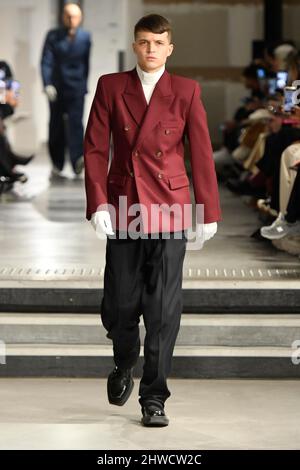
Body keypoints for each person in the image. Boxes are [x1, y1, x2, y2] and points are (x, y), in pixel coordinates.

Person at [84, 14, 221, 427]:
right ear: (134, 44)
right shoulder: (111, 85)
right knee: (120, 304)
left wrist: (208, 211)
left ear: (169, 48)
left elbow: (200, 151)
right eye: (143, 42)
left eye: (158, 43)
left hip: (172, 209)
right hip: (125, 205)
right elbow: (94, 148)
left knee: (163, 310)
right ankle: (124, 359)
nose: (150, 50)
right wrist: (97, 204)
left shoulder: (186, 90)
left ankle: (154, 399)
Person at [40, 2, 91, 181]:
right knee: (55, 125)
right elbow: (46, 60)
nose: (71, 19)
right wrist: (47, 83)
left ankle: (78, 160)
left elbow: (86, 64)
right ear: (63, 17)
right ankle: (57, 163)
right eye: (68, 16)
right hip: (57, 87)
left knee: (76, 124)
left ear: (80, 17)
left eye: (75, 16)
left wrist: (84, 86)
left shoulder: (85, 37)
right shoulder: (53, 36)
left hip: (76, 88)